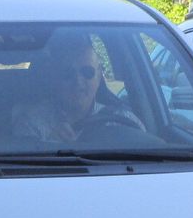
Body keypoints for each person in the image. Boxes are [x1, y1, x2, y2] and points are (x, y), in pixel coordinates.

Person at [11, 32, 141, 143]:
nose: (78, 81)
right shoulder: (32, 124)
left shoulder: (124, 121)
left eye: (87, 72)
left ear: (99, 76)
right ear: (55, 78)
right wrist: (49, 147)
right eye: (68, 74)